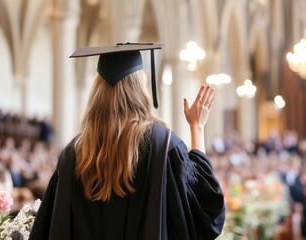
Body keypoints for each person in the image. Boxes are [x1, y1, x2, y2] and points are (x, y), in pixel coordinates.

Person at [29, 43, 225, 240]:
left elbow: (51, 227)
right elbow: (204, 214)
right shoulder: (163, 145)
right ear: (140, 88)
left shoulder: (73, 153)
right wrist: (197, 128)